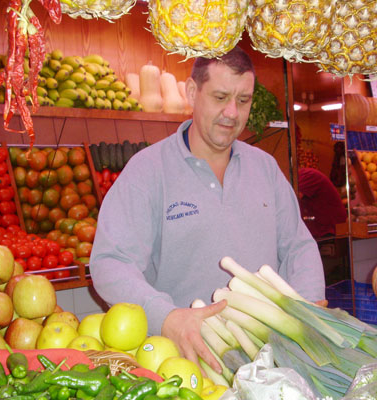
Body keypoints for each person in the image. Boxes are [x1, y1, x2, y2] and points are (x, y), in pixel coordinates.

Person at [90, 46, 326, 375]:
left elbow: (298, 245)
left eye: (243, 100)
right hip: (185, 365)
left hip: (270, 361)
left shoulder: (265, 168)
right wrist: (165, 316)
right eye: (220, 97)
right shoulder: (147, 171)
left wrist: (309, 304)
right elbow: (110, 263)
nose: (232, 112)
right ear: (191, 92)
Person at [298, 167, 347, 238]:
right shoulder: (303, 176)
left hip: (330, 231)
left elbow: (291, 201)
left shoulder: (306, 175)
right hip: (323, 230)